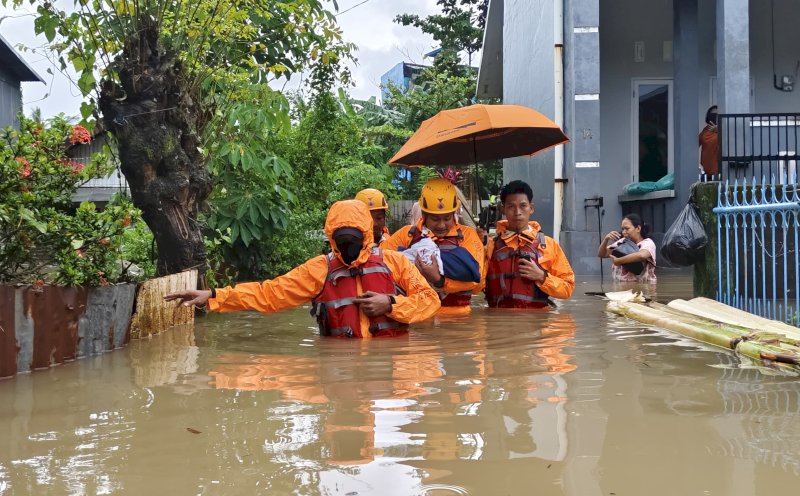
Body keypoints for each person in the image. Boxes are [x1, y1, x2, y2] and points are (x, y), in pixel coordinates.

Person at [164, 200, 441, 338]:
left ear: (367, 235)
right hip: (339, 367)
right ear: (331, 238)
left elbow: (429, 301)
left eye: (354, 240)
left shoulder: (395, 262)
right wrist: (214, 296)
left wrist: (391, 304)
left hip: (389, 365)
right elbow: (270, 294)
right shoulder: (320, 270)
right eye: (342, 241)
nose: (348, 248)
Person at [382, 177, 485, 314]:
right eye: (435, 219)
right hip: (418, 315)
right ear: (424, 215)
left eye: (447, 218)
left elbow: (478, 283)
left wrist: (439, 280)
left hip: (459, 318)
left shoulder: (468, 236)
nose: (441, 225)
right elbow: (381, 265)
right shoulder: (406, 235)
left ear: (454, 213)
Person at [484, 180, 575, 308]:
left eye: (523, 206)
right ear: (503, 209)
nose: (517, 212)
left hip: (537, 319)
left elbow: (567, 289)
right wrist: (477, 248)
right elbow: (475, 286)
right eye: (511, 206)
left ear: (531, 208)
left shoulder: (549, 245)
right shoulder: (490, 246)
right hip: (498, 318)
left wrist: (542, 277)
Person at [597, 213, 657, 283]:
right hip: (621, 286)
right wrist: (606, 239)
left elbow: (642, 255)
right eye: (622, 229)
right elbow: (602, 254)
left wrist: (619, 261)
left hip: (642, 287)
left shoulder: (648, 243)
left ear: (638, 228)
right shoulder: (622, 242)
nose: (623, 232)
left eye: (627, 229)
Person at [699, 104, 720, 178]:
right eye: (712, 115)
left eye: (717, 115)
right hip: (705, 170)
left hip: (718, 170)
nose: (715, 117)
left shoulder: (723, 129)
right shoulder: (705, 130)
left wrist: (718, 129)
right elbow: (695, 144)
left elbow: (728, 140)